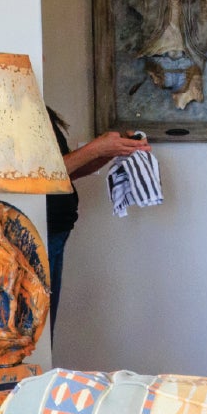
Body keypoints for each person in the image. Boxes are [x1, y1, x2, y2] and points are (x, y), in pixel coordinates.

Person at [45, 112, 150, 325]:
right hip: (30, 238)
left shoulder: (35, 104)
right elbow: (34, 175)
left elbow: (65, 173)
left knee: (41, 335)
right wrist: (96, 149)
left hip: (54, 235)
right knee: (31, 337)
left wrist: (111, 151)